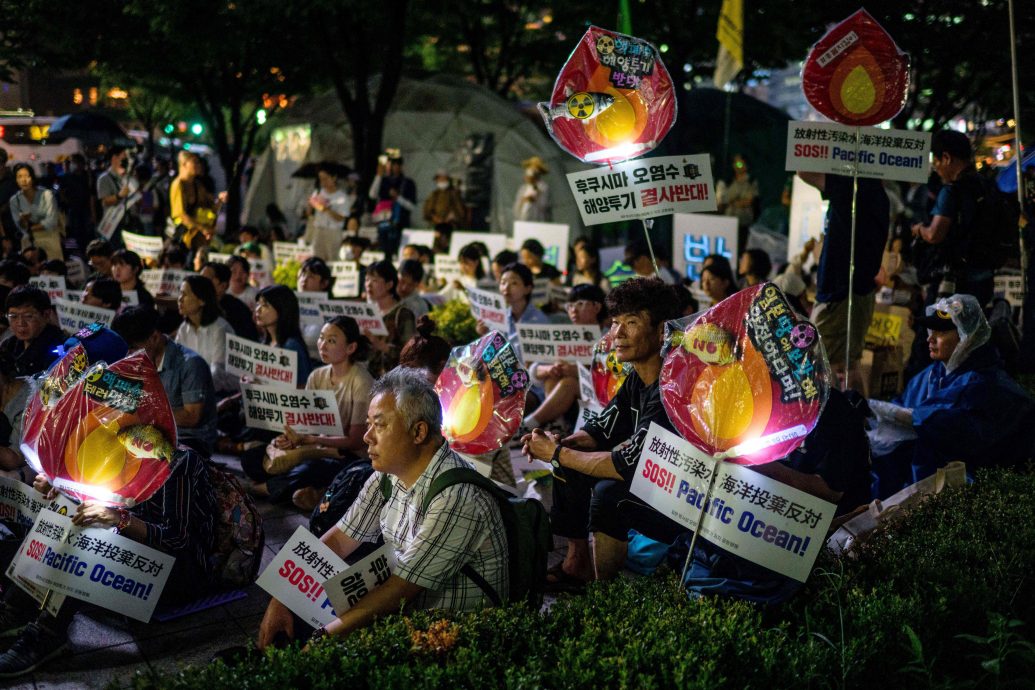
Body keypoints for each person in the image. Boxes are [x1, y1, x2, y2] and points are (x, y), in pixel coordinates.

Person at [257, 368, 508, 649]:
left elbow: (399, 589)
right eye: (368, 424)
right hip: (407, 613)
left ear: (418, 431)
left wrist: (321, 640)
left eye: (379, 425)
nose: (367, 437)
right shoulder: (387, 475)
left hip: (450, 637)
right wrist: (281, 599)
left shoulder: (458, 497)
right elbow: (340, 540)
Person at [0, 446, 217, 677]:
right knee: (67, 525)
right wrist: (59, 491)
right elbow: (95, 501)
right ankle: (14, 610)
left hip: (182, 571)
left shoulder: (178, 461)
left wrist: (118, 519)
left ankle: (47, 632)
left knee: (88, 545)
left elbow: (176, 539)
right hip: (132, 554)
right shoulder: (108, 447)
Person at [522, 277, 682, 585]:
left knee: (609, 495)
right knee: (572, 456)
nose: (618, 334)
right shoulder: (637, 377)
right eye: (615, 323)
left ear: (662, 330)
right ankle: (576, 563)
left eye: (631, 323)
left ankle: (606, 594)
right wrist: (558, 443)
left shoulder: (671, 387)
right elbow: (599, 430)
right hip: (647, 481)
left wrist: (557, 452)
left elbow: (625, 467)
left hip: (680, 500)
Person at [869, 294, 1035, 498]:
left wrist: (889, 413)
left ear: (966, 337)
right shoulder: (928, 375)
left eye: (941, 331)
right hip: (915, 487)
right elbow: (904, 409)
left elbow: (943, 425)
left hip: (957, 496)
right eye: (931, 329)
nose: (930, 338)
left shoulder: (986, 387)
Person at [255, 316, 374, 510]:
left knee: (310, 469)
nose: (323, 345)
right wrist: (292, 438)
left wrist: (311, 440)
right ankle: (313, 492)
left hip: (348, 456)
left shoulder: (361, 381)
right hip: (317, 447)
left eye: (332, 341)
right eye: (321, 338)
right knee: (254, 457)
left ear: (351, 348)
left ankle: (266, 489)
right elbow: (306, 422)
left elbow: (355, 441)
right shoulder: (317, 376)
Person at [797, 171, 890, 390]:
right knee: (849, 363)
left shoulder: (854, 186)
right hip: (855, 290)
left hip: (840, 293)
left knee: (819, 361)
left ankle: (833, 419)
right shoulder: (876, 191)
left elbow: (804, 170)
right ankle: (857, 417)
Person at [112, 306, 218, 457]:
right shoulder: (137, 362)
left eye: (133, 348)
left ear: (154, 337)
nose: (129, 355)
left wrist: (144, 411)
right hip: (150, 432)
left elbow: (191, 417)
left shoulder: (190, 364)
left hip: (188, 439)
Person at [911, 130, 997, 308]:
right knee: (971, 332)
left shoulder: (951, 191)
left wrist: (919, 229)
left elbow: (935, 234)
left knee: (935, 332)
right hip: (985, 276)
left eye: (936, 162)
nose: (936, 168)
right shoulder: (985, 184)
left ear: (946, 157)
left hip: (955, 280)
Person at [520, 283, 609, 438]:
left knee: (570, 382)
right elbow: (534, 371)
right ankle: (557, 424)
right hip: (571, 399)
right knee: (553, 377)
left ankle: (527, 425)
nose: (573, 310)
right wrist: (550, 369)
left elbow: (610, 374)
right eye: (570, 305)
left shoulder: (607, 337)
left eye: (580, 304)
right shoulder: (565, 337)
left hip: (600, 397)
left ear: (597, 307)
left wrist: (576, 371)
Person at [176, 275, 237, 394]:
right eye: (180, 293)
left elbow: (217, 373)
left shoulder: (220, 329)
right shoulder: (184, 328)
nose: (180, 299)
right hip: (194, 391)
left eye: (185, 294)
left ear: (202, 300)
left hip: (222, 393)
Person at [364, 260, 416, 378]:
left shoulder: (403, 314)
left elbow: (411, 354)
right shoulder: (367, 311)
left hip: (393, 381)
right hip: (368, 377)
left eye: (375, 280)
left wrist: (383, 346)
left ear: (389, 284)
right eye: (367, 280)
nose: (368, 284)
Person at [254, 284, 313, 386]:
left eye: (265, 305)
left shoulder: (291, 346)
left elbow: (302, 387)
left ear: (282, 309)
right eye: (258, 304)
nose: (258, 310)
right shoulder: (265, 343)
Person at [0, 286, 65, 377]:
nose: (20, 323)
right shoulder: (8, 345)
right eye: (13, 316)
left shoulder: (60, 347)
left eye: (28, 316)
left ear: (46, 315)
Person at [169, 150, 222, 252]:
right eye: (195, 162)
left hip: (198, 237)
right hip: (184, 238)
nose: (198, 165)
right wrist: (202, 228)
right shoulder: (178, 185)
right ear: (184, 164)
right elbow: (181, 215)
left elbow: (211, 207)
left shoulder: (197, 185)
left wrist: (220, 200)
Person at [9, 163, 62, 262]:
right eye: (19, 177)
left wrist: (30, 227)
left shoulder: (47, 195)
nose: (23, 180)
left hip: (50, 239)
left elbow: (51, 221)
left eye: (26, 176)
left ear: (32, 177)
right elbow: (20, 227)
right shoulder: (14, 200)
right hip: (29, 244)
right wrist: (23, 221)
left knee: (52, 272)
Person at [368, 154, 416, 260]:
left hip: (400, 225)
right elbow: (372, 195)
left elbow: (412, 206)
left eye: (393, 164)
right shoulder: (383, 180)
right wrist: (378, 176)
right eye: (388, 164)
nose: (389, 167)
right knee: (383, 252)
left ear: (400, 166)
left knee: (398, 253)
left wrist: (398, 197)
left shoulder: (407, 183)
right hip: (383, 224)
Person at [301, 163, 351, 261]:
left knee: (332, 259)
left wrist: (326, 209)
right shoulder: (318, 192)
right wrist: (310, 205)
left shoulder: (342, 197)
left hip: (333, 231)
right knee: (317, 259)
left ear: (334, 178)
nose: (323, 182)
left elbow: (341, 217)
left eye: (325, 178)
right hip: (318, 230)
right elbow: (309, 214)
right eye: (321, 178)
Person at [200, 261, 260, 342]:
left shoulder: (239, 311)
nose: (199, 284)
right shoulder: (195, 306)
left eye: (206, 280)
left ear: (223, 286)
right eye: (200, 279)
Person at [715, 154, 759, 246]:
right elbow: (721, 202)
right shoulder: (726, 181)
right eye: (734, 163)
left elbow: (749, 201)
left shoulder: (751, 182)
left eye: (739, 164)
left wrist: (733, 202)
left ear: (746, 165)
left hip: (743, 223)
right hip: (727, 222)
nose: (736, 166)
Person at [513, 156, 550, 222]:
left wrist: (536, 196)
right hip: (523, 219)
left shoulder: (543, 187)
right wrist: (523, 200)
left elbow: (543, 204)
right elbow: (517, 205)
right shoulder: (523, 188)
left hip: (537, 220)